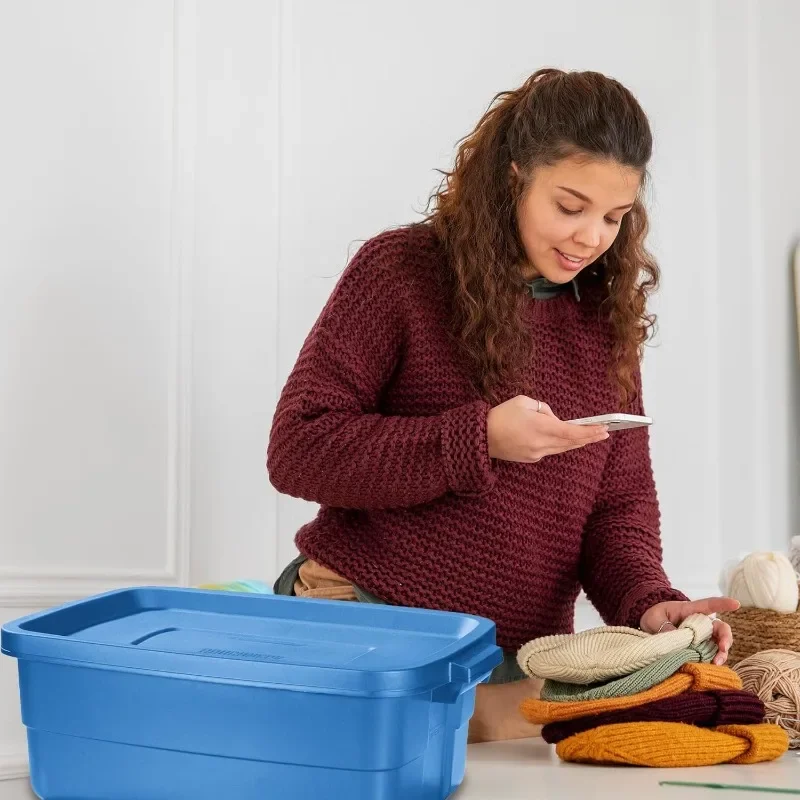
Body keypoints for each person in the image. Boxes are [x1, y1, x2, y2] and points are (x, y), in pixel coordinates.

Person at [266, 68, 739, 743]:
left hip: (516, 671)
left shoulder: (604, 323)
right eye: (570, 206)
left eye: (613, 216)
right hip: (367, 630)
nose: (590, 237)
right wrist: (478, 438)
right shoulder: (401, 272)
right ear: (514, 176)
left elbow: (618, 509)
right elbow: (298, 450)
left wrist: (650, 603)